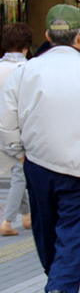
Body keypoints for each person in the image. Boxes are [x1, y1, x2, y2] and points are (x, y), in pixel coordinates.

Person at [0, 4, 80, 293]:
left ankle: (57, 279)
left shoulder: (27, 70)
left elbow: (6, 118)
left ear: (48, 37)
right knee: (75, 227)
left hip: (37, 162)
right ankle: (60, 284)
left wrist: (17, 151)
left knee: (44, 225)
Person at [0, 23, 33, 237]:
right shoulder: (29, 70)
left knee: (16, 170)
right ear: (26, 46)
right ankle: (7, 221)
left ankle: (28, 214)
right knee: (20, 172)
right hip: (19, 128)